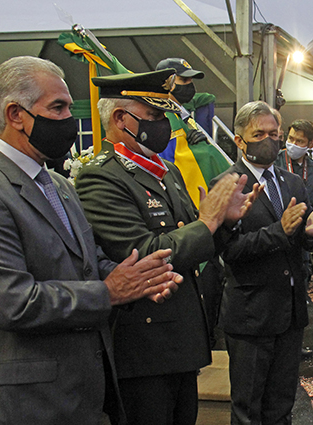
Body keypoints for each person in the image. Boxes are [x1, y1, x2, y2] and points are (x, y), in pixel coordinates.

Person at [0, 56, 181, 425]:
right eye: (58, 107)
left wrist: (137, 278)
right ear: (15, 114)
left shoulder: (56, 184)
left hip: (82, 393)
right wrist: (110, 292)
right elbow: (11, 302)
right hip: (25, 404)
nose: (71, 119)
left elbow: (87, 260)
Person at [74, 69, 258, 425]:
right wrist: (208, 222)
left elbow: (195, 244)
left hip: (181, 342)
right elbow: (146, 252)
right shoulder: (102, 177)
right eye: (155, 117)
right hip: (144, 348)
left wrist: (224, 221)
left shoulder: (166, 171)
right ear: (119, 119)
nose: (164, 125)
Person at [211, 101, 313, 425]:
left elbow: (301, 239)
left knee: (282, 406)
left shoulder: (292, 182)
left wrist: (310, 235)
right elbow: (229, 251)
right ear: (239, 140)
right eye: (259, 134)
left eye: (274, 133)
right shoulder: (226, 185)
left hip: (290, 313)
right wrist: (278, 231)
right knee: (249, 410)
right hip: (252, 315)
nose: (268, 140)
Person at [155, 57, 230, 209]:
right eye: (184, 80)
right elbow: (168, 161)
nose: (190, 86)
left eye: (191, 81)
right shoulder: (164, 116)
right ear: (166, 82)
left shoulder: (180, 113)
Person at [275, 119, 313, 294]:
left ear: (311, 144)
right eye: (291, 139)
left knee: (302, 270)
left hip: (303, 233)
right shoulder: (275, 162)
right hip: (278, 229)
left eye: (299, 141)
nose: (293, 144)